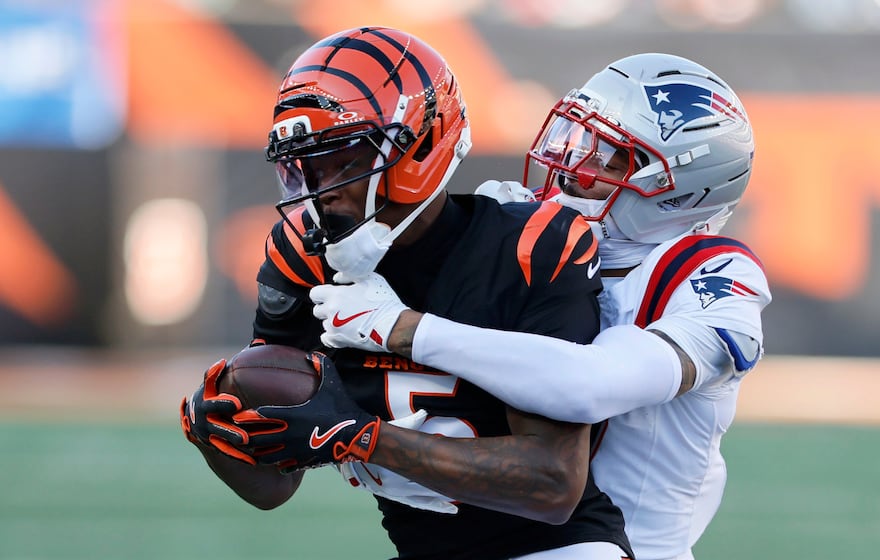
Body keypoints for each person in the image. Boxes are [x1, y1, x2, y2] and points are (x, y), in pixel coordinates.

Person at [179, 26, 633, 560]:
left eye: (344, 160)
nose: (323, 189)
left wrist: (362, 436)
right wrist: (223, 431)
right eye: (307, 164)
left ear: (420, 145)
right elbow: (275, 487)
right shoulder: (302, 254)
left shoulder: (530, 247)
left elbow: (553, 485)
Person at [305, 53, 771, 560]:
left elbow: (587, 386)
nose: (574, 165)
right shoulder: (532, 229)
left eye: (609, 155)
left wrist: (402, 327)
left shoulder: (713, 278)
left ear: (677, 188)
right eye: (578, 138)